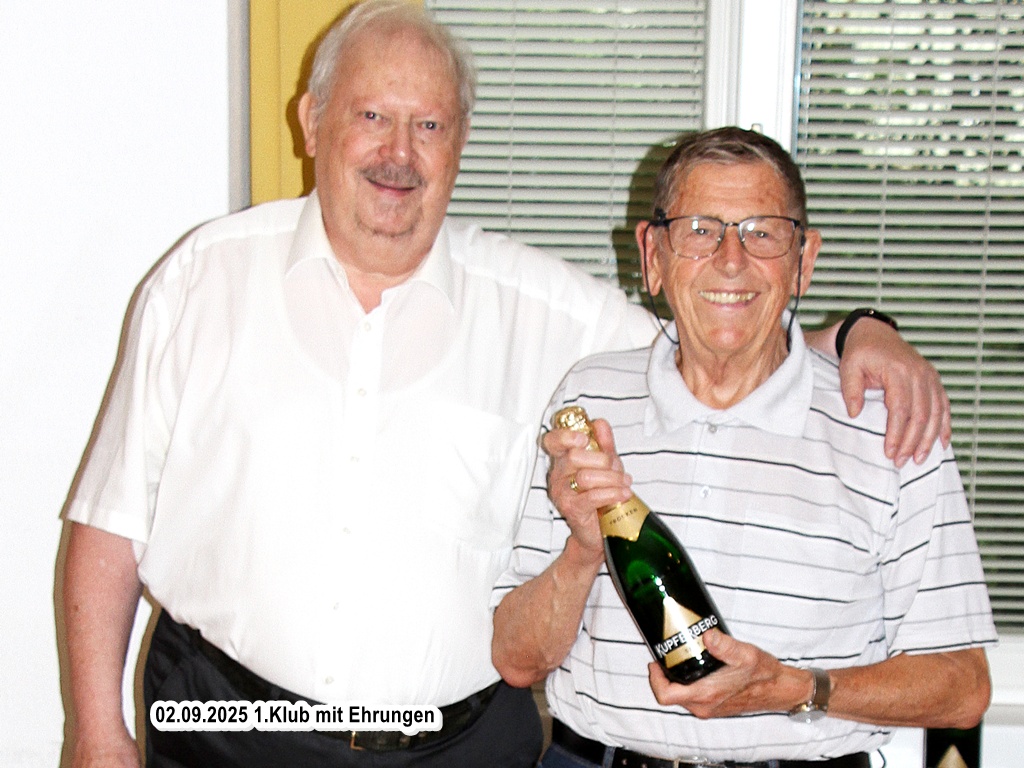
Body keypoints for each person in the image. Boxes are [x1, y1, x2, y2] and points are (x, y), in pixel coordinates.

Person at [61, 3, 952, 767]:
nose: (399, 153)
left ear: (460, 142)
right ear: (312, 120)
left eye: (430, 125)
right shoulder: (203, 278)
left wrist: (856, 333)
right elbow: (110, 524)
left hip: (455, 748)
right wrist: (96, 731)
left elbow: (715, 336)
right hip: (225, 726)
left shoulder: (543, 310)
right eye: (372, 115)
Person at [491, 126, 997, 768]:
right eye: (699, 230)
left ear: (803, 261)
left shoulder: (889, 423)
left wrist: (793, 688)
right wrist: (584, 550)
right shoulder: (589, 402)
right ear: (652, 255)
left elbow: (963, 688)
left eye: (762, 233)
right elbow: (516, 659)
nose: (731, 260)